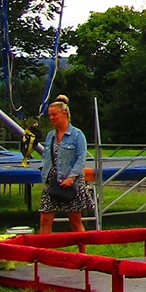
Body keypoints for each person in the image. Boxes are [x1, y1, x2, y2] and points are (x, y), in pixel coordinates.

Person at [37, 95, 93, 234]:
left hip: (71, 183)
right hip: (52, 182)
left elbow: (81, 159)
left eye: (54, 115)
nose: (51, 118)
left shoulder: (77, 135)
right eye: (50, 115)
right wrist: (44, 171)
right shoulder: (51, 135)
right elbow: (46, 156)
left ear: (64, 114)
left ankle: (83, 254)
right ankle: (45, 253)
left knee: (75, 221)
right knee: (44, 219)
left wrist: (71, 177)